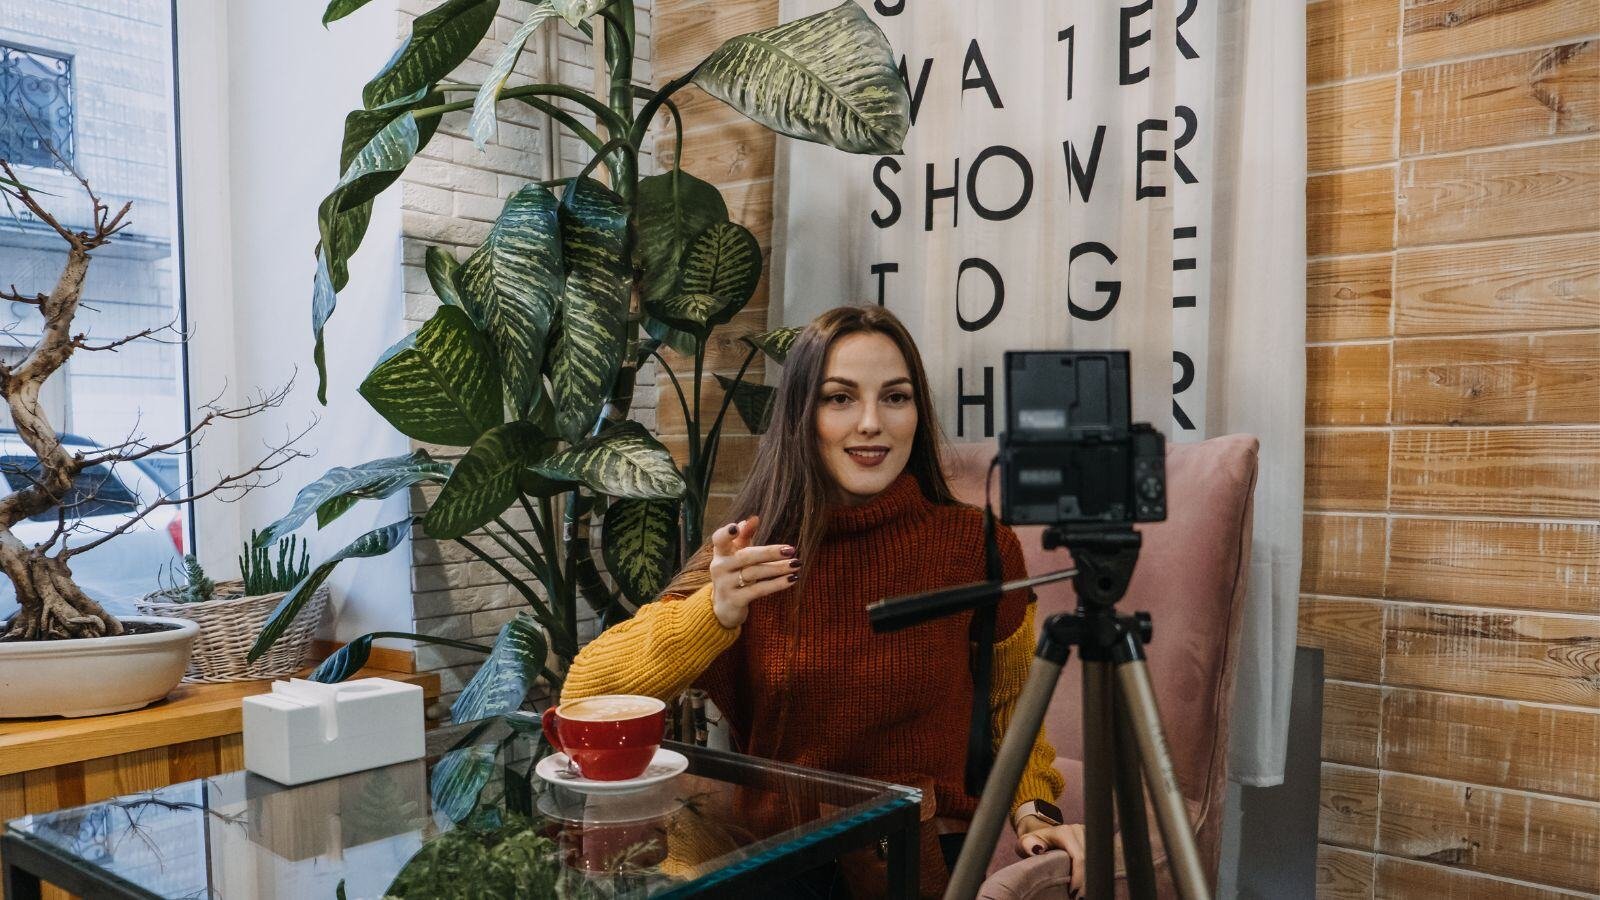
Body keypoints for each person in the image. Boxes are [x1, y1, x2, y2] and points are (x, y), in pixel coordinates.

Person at [562, 305, 1088, 896]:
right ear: (801, 415)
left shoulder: (977, 543)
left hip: (916, 859)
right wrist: (713, 613)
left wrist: (1034, 808)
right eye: (839, 398)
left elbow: (1010, 707)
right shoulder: (750, 555)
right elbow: (585, 692)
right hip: (776, 864)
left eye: (895, 397)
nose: (871, 423)